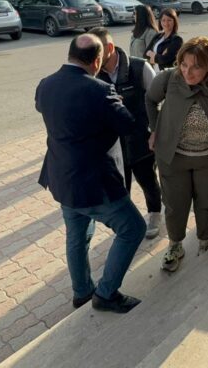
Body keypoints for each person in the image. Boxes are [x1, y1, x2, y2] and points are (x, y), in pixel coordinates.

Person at [36, 34, 146, 314]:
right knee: (133, 229)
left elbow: (46, 109)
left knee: (77, 236)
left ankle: (82, 292)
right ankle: (106, 294)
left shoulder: (45, 85)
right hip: (94, 183)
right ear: (97, 61)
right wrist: (118, 102)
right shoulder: (101, 91)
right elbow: (129, 126)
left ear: (70, 54)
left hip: (61, 178)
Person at [146, 37, 208, 272]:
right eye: (184, 65)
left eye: (196, 66)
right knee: (175, 205)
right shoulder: (169, 78)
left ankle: (204, 242)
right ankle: (175, 245)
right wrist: (154, 129)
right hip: (173, 158)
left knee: (207, 203)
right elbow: (150, 99)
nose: (188, 72)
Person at [92, 27, 162, 240]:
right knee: (121, 186)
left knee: (148, 180)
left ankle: (155, 214)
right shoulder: (95, 74)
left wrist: (155, 132)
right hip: (113, 145)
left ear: (110, 48)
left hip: (141, 139)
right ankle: (127, 223)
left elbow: (157, 100)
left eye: (98, 51)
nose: (94, 57)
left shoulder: (140, 68)